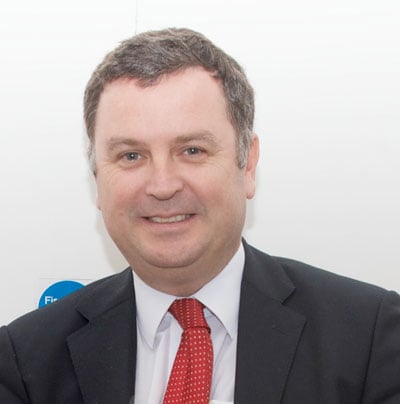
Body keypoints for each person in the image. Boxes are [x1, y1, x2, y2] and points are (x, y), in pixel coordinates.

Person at [0, 28, 399, 404]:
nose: (162, 185)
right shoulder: (25, 361)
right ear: (97, 180)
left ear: (247, 164)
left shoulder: (370, 338)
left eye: (192, 150)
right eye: (131, 155)